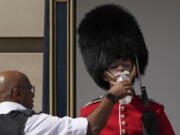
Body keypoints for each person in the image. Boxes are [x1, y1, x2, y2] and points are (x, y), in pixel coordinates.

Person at [78, 4, 175, 135]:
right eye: (114, 66)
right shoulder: (89, 111)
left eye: (126, 65)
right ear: (105, 75)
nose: (121, 70)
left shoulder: (154, 109)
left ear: (135, 69)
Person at [0, 70, 134, 135]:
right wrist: (111, 97)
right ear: (17, 93)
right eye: (30, 89)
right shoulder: (29, 123)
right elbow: (89, 128)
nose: (32, 94)